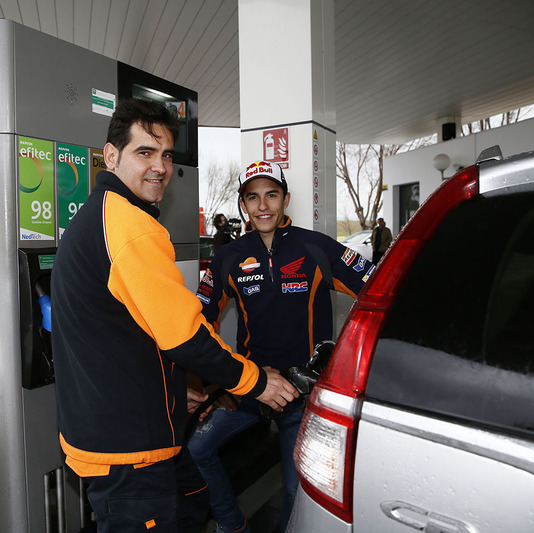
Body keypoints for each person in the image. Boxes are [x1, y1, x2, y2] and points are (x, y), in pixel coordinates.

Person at [51, 101, 297, 533]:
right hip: (129, 450)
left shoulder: (93, 219)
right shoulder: (132, 227)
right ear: (111, 157)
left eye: (166, 155)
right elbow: (185, 337)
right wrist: (257, 382)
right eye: (144, 152)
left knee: (192, 493)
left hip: (108, 430)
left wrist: (169, 387)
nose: (160, 166)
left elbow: (127, 329)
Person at [189, 160, 373, 533]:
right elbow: (198, 321)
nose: (263, 206)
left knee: (296, 486)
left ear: (285, 198)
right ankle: (231, 524)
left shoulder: (316, 247)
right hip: (250, 385)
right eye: (253, 197)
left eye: (271, 195)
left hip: (302, 394)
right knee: (196, 451)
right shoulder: (228, 256)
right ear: (243, 204)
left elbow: (378, 290)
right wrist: (212, 382)